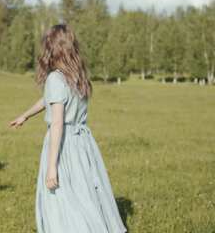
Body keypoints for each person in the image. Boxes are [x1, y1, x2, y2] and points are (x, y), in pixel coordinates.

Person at [9, 24, 127, 233]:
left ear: (52, 48)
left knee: (63, 199)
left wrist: (52, 166)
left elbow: (57, 124)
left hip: (64, 146)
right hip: (83, 143)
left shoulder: (55, 78)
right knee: (85, 195)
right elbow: (49, 100)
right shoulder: (76, 77)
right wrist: (25, 115)